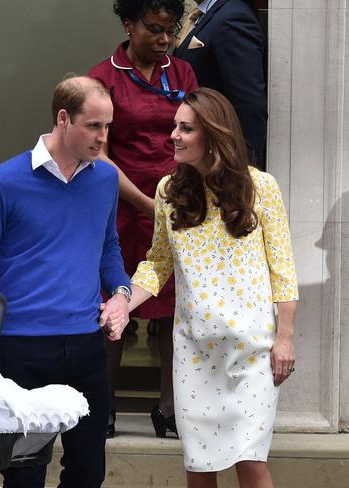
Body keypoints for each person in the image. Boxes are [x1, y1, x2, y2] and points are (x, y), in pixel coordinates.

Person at [106, 88, 298, 488]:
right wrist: (124, 302)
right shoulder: (167, 192)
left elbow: (282, 268)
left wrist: (285, 337)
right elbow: (157, 264)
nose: (173, 135)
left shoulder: (262, 187)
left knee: (251, 462)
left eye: (185, 128)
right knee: (199, 465)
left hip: (253, 351)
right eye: (174, 127)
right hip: (194, 352)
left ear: (213, 135)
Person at [0, 76, 131, 488]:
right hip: (23, 348)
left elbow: (108, 250)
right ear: (63, 119)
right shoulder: (3, 181)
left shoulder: (104, 179)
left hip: (87, 345)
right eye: (94, 126)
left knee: (89, 472)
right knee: (24, 475)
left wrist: (120, 295)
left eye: (108, 127)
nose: (103, 138)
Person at [88, 0, 198, 438]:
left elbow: (196, 135)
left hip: (178, 206)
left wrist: (175, 200)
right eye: (153, 29)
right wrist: (147, 204)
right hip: (121, 207)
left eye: (169, 30)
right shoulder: (103, 76)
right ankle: (103, 407)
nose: (164, 40)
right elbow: (100, 153)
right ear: (129, 25)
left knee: (177, 309)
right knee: (115, 306)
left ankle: (169, 409)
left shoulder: (183, 73)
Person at [173, 0, 267, 170]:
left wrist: (244, 171)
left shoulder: (233, 17)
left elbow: (249, 105)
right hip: (196, 159)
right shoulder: (204, 16)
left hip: (221, 164)